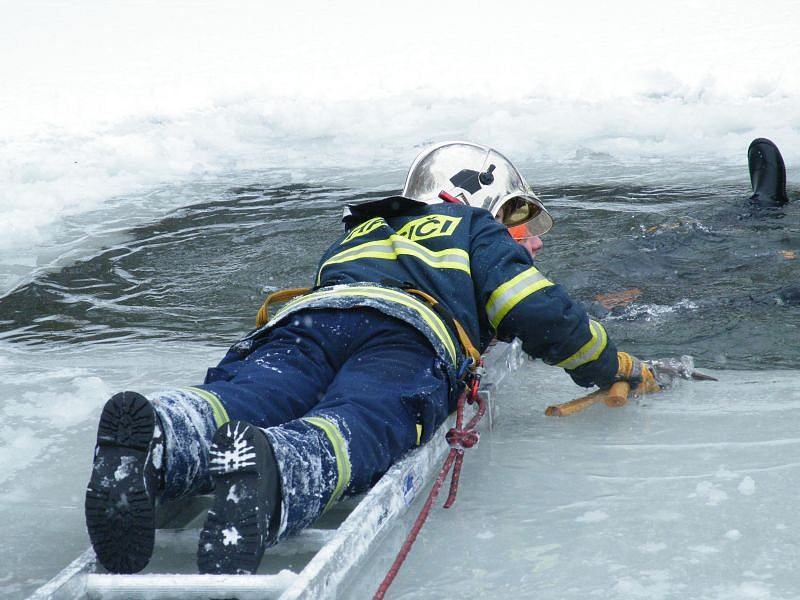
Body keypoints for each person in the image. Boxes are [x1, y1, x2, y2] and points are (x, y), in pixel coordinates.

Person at [84, 141, 661, 576]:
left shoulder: (361, 230)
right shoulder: (472, 227)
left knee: (258, 391)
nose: (529, 238)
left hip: (309, 318)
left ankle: (165, 433)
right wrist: (609, 364)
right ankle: (281, 468)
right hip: (406, 336)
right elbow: (532, 308)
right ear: (483, 202)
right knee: (368, 412)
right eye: (517, 219)